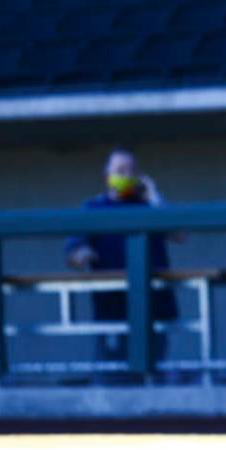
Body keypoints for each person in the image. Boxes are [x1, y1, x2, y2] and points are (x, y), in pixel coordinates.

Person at [64, 147, 179, 370]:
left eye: (131, 170)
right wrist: (82, 255)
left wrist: (155, 196)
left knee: (154, 371)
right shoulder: (93, 208)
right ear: (107, 176)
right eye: (120, 170)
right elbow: (73, 253)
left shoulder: (150, 206)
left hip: (154, 305)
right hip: (113, 307)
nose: (126, 176)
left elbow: (180, 233)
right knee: (112, 374)